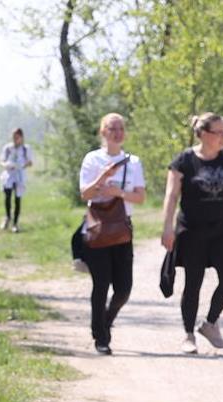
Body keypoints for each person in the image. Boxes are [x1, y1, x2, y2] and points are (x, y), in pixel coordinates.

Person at [160, 113, 223, 353]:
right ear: (203, 134)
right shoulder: (184, 161)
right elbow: (171, 196)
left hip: (222, 230)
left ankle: (210, 323)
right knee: (193, 283)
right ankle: (188, 334)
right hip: (192, 231)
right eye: (218, 132)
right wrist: (167, 228)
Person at [79, 112, 146, 355]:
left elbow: (140, 196)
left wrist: (119, 193)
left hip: (122, 230)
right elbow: (84, 194)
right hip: (97, 228)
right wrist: (101, 178)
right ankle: (100, 337)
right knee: (101, 284)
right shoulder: (92, 159)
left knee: (124, 288)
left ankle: (106, 320)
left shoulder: (133, 162)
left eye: (120, 128)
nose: (117, 132)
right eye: (111, 128)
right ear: (102, 132)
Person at [0, 128, 34, 232]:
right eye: (13, 137)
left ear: (21, 137)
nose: (15, 139)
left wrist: (21, 165)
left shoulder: (25, 149)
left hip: (19, 176)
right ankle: (7, 217)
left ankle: (15, 223)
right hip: (9, 175)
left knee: (17, 199)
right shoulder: (8, 148)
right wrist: (6, 165)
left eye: (17, 137)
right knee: (7, 197)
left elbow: (30, 162)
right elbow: (2, 160)